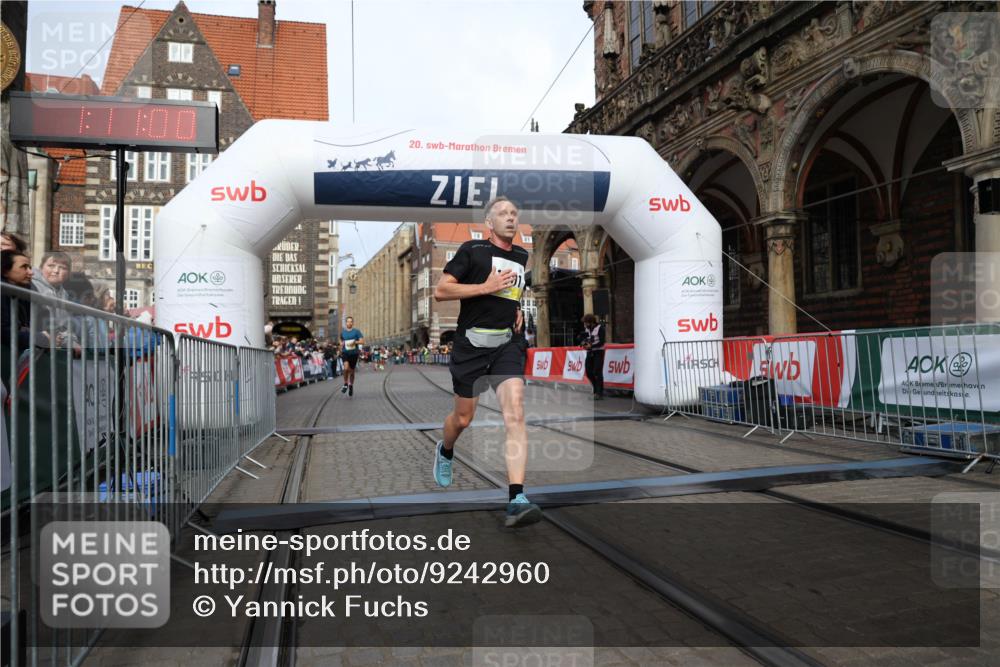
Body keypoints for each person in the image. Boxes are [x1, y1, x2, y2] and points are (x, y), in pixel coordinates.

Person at [432, 196, 540, 528]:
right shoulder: (472, 251)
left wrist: (516, 308)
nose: (510, 217)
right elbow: (441, 290)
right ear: (488, 223)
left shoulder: (522, 256)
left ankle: (517, 498)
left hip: (507, 343)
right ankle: (446, 449)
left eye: (514, 213)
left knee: (515, 414)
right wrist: (485, 287)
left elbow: (511, 292)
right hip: (471, 344)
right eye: (502, 214)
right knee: (463, 418)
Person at [581, 313, 606, 400]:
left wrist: (591, 346)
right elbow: (586, 339)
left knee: (597, 372)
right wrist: (583, 343)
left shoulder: (600, 328)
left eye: (586, 323)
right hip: (590, 352)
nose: (585, 325)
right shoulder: (587, 329)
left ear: (591, 322)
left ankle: (599, 393)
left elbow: (602, 342)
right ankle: (596, 390)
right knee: (588, 371)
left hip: (598, 352)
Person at [339, 316, 364, 396]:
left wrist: (354, 342)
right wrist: (341, 344)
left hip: (354, 354)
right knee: (346, 368)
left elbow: (362, 341)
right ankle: (345, 383)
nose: (349, 323)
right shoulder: (343, 332)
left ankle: (351, 385)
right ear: (346, 323)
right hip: (345, 353)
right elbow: (340, 341)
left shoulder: (356, 331)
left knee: (352, 372)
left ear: (352, 323)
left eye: (351, 321)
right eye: (348, 321)